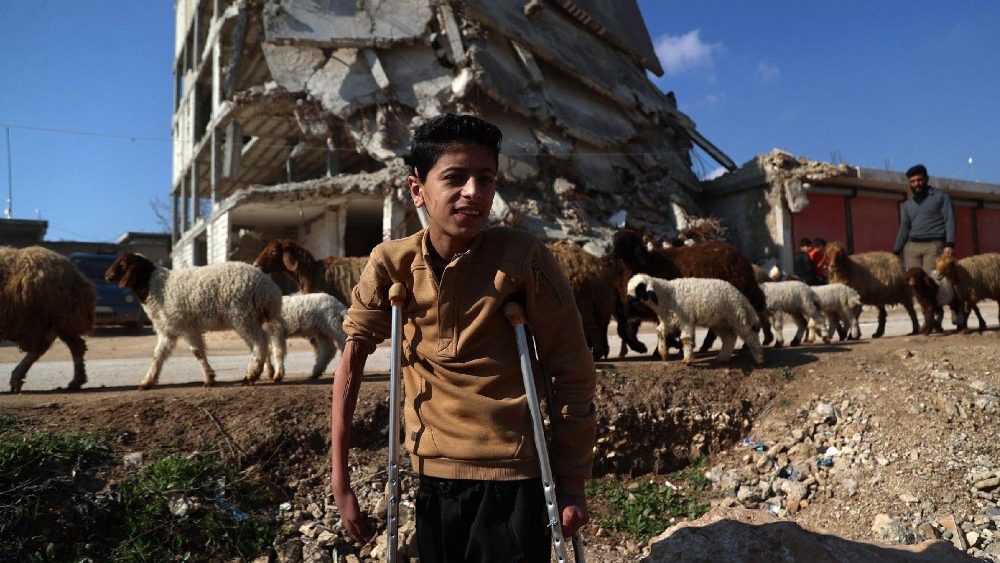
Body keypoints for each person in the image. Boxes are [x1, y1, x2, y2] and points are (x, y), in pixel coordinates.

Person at [330, 114, 596, 562]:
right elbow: (352, 361)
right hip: (433, 476)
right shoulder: (392, 263)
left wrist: (570, 483)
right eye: (455, 178)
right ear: (418, 190)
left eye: (485, 179)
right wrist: (341, 483)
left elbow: (571, 370)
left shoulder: (524, 257)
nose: (473, 192)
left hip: (517, 477)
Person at [893, 164, 956, 273]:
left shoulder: (941, 197)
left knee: (930, 280)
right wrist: (896, 251)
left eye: (919, 180)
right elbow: (904, 228)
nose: (916, 184)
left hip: (934, 246)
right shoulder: (908, 204)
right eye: (912, 181)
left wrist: (950, 244)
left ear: (926, 179)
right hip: (912, 248)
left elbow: (950, 220)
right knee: (915, 282)